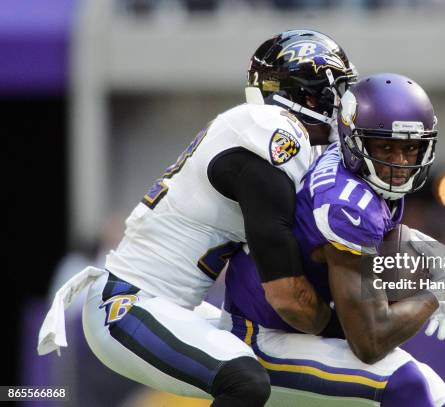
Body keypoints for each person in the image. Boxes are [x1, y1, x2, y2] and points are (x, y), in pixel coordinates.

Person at [38, 29, 356, 407]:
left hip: (173, 306)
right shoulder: (274, 132)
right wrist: (345, 325)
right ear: (305, 94)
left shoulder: (268, 136)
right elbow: (286, 294)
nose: (341, 106)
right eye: (333, 92)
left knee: (292, 378)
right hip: (129, 305)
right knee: (245, 381)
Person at [222, 73, 445, 406]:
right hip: (260, 334)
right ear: (356, 140)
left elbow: (391, 234)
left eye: (411, 148)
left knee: (441, 399)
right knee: (408, 384)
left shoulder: (363, 171)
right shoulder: (346, 206)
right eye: (385, 147)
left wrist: (434, 255)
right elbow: (369, 342)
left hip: (295, 325)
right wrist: (438, 291)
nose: (398, 163)